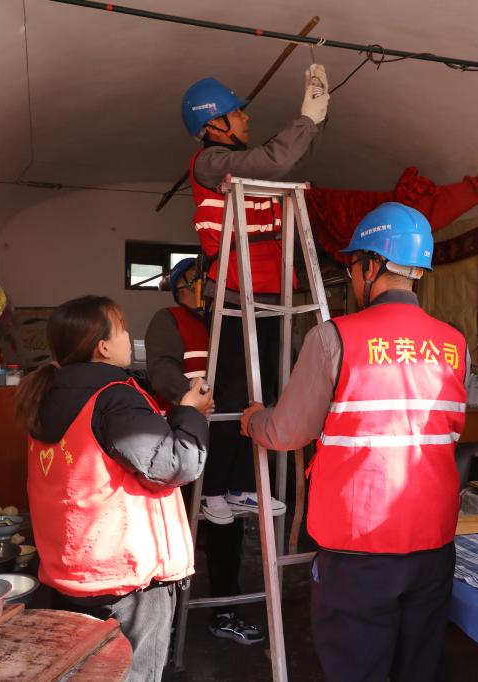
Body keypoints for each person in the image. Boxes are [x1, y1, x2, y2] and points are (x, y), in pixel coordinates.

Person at [241, 202, 468, 682]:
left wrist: (255, 420)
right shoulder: (455, 344)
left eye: (354, 266)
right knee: (418, 668)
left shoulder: (334, 338)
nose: (353, 277)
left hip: (358, 548)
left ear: (372, 265)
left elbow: (287, 432)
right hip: (434, 544)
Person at [15, 295, 213, 682]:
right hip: (127, 578)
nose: (128, 337)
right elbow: (176, 464)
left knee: (84, 672)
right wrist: (190, 412)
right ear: (103, 346)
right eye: (122, 329)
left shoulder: (46, 394)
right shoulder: (113, 397)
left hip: (70, 570)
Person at [179, 68, 329, 525]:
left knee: (263, 396)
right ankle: (215, 489)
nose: (247, 118)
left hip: (268, 295)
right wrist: (306, 119)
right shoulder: (210, 162)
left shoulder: (245, 165)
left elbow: (281, 164)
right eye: (238, 113)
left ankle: (244, 486)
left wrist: (313, 124)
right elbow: (273, 162)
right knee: (231, 396)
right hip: (233, 294)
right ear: (214, 123)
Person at [144, 258, 264, 645]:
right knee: (176, 530)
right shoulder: (169, 320)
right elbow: (161, 368)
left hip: (233, 443)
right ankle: (165, 617)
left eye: (205, 281)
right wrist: (190, 397)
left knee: (227, 532)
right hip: (187, 438)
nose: (202, 289)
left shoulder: (231, 321)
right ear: (179, 290)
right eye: (193, 282)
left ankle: (225, 611)